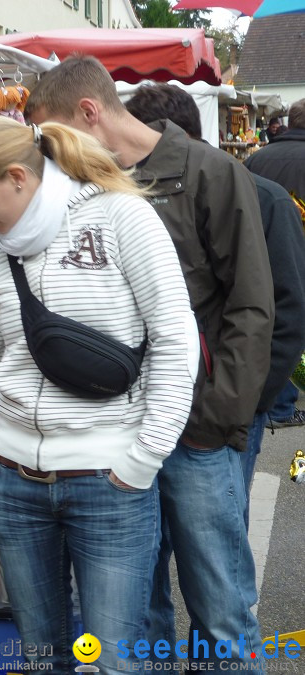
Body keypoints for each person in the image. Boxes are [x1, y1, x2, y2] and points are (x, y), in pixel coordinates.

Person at [0, 115, 196, 674]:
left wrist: (144, 457)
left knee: (117, 663)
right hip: (16, 485)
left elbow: (176, 340)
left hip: (111, 483)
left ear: (18, 177)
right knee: (43, 658)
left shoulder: (122, 217)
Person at [25, 56, 274, 671]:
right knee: (133, 611)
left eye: (54, 133)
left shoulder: (210, 171)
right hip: (113, 433)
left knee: (220, 607)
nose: (48, 150)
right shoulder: (78, 186)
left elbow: (251, 303)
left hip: (195, 430)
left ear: (89, 113)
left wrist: (218, 414)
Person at [125, 83, 305, 524]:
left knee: (216, 540)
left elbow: (285, 307)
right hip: (164, 403)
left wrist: (243, 401)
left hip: (224, 404)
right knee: (162, 539)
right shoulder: (132, 193)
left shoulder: (258, 188)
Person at [245, 99, 305, 428]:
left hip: (266, 252)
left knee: (278, 324)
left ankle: (278, 401)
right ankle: (282, 406)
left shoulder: (257, 159)